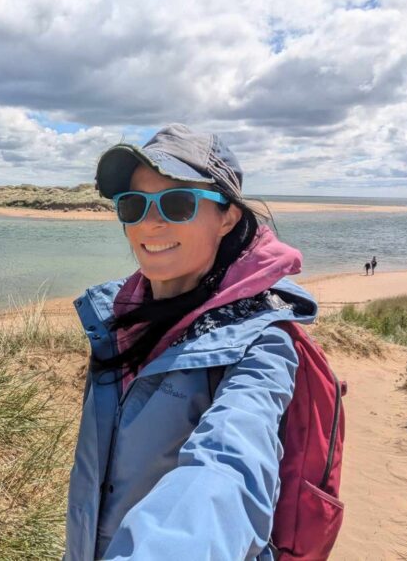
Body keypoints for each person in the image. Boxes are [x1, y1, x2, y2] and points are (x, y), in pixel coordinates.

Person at [64, 124, 319, 560]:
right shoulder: (116, 321)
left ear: (228, 217)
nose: (150, 221)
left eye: (178, 203)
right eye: (133, 205)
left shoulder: (263, 344)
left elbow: (228, 468)